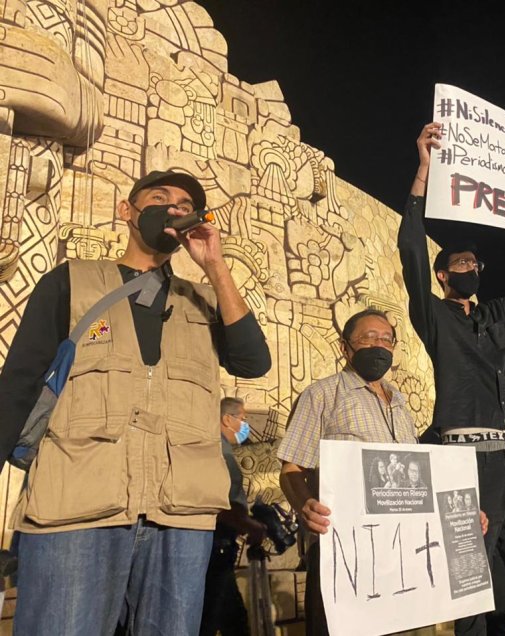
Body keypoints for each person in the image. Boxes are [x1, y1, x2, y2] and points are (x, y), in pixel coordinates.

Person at [1, 170, 271, 634]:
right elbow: (19, 383)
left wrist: (215, 266)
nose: (172, 208)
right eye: (159, 197)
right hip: (76, 511)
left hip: (180, 519)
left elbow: (253, 362)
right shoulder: (73, 281)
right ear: (127, 210)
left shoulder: (205, 301)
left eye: (185, 205)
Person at [399, 122, 505, 636]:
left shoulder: (499, 316)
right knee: (473, 584)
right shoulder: (433, 315)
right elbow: (409, 250)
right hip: (464, 464)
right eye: (460, 262)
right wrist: (424, 171)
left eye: (475, 262)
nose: (471, 267)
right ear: (444, 274)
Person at [277, 309, 441, 636]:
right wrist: (304, 503)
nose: (378, 345)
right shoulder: (321, 395)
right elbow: (292, 468)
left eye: (385, 339)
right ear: (345, 348)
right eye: (368, 338)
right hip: (347, 556)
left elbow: (418, 480)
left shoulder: (401, 404)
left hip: (406, 556)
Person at [200, 397, 268, 636]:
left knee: (223, 617)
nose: (245, 425)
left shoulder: (223, 449)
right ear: (227, 419)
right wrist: (249, 524)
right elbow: (215, 501)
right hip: (216, 545)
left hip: (220, 545)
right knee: (225, 618)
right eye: (243, 419)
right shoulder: (218, 451)